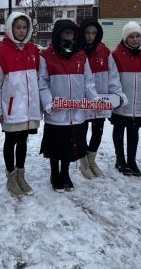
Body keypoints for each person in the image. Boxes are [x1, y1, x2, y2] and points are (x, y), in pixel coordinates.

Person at [39, 20, 98, 192]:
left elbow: (89, 82)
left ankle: (65, 173)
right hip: (57, 111)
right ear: (58, 34)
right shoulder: (46, 56)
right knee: (55, 146)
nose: (68, 36)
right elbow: (42, 84)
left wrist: (94, 100)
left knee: (69, 146)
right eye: (65, 33)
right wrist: (49, 104)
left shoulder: (81, 55)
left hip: (76, 111)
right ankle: (54, 174)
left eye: (71, 33)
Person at [0, 12, 41, 198]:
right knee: (11, 141)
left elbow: (38, 79)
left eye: (24, 27)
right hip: (11, 108)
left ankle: (21, 173)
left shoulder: (33, 50)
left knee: (23, 141)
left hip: (29, 108)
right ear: (11, 28)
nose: (21, 31)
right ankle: (11, 175)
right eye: (17, 27)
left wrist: (38, 103)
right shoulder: (0, 52)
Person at [111, 21, 141, 177]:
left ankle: (131, 161)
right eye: (131, 36)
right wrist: (116, 99)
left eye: (137, 36)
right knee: (119, 130)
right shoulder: (116, 56)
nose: (135, 39)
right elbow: (112, 79)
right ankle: (120, 160)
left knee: (133, 132)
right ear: (125, 38)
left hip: (139, 104)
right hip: (121, 103)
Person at [79, 18, 126, 179]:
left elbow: (113, 77)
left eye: (93, 33)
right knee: (81, 132)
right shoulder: (77, 51)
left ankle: (92, 160)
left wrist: (117, 95)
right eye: (87, 33)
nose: (90, 36)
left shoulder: (105, 52)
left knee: (98, 132)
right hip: (83, 101)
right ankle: (83, 161)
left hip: (102, 100)